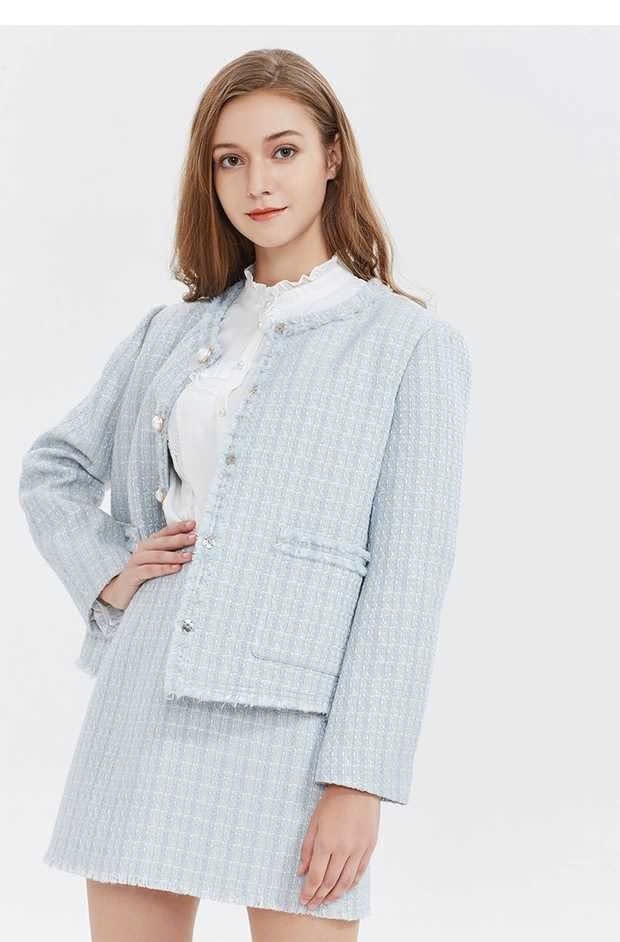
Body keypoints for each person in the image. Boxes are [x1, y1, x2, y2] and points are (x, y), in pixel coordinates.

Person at [18, 48, 472, 942]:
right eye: (231, 159)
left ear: (332, 156)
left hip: (296, 728)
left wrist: (359, 779)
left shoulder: (408, 345)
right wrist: (111, 574)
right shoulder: (171, 330)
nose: (257, 182)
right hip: (144, 700)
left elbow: (408, 583)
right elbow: (52, 469)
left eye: (283, 151)